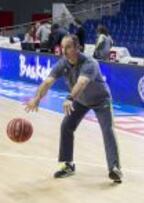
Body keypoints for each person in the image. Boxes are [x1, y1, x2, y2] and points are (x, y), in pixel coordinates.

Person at [25, 35, 123, 183]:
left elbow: (82, 83)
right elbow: (48, 82)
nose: (64, 50)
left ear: (78, 48)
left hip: (101, 100)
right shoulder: (63, 63)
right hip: (81, 100)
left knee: (107, 130)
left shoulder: (90, 63)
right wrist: (37, 98)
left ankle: (115, 169)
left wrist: (70, 98)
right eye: (62, 47)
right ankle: (68, 165)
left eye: (68, 47)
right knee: (66, 126)